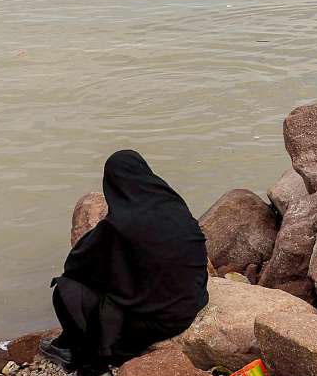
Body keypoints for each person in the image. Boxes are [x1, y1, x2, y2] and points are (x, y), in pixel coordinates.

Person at [39, 151, 208, 376]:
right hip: (190, 304)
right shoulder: (174, 206)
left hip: (154, 322)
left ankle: (79, 351)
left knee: (65, 289)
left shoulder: (119, 226)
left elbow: (76, 264)